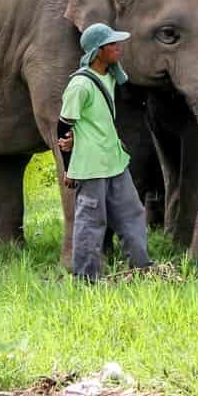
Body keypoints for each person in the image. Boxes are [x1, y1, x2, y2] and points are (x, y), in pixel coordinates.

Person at [57, 22, 151, 282]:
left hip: (114, 161)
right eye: (112, 44)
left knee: (133, 214)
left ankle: (142, 269)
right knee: (90, 222)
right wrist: (68, 166)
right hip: (91, 167)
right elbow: (64, 125)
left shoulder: (108, 76)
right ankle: (86, 279)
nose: (118, 48)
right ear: (98, 51)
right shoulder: (80, 85)